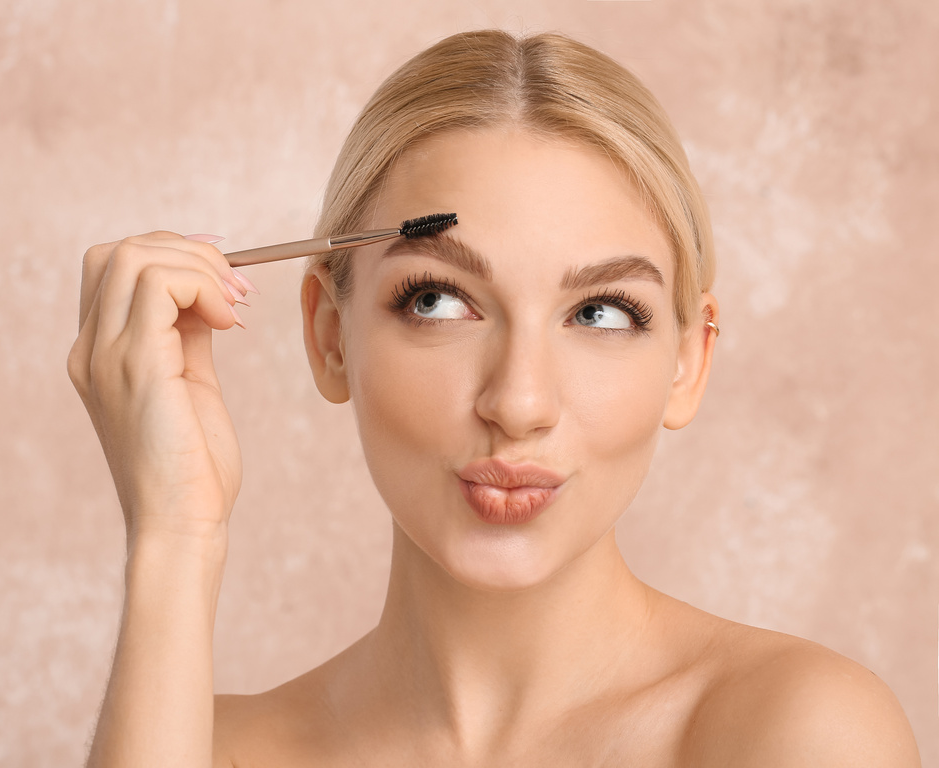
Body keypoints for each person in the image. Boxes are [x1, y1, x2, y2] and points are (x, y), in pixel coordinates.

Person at [66, 29, 920, 767]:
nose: (518, 402)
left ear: (688, 362)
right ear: (329, 334)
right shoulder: (206, 749)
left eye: (600, 313)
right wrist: (175, 535)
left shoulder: (795, 734)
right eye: (437, 302)